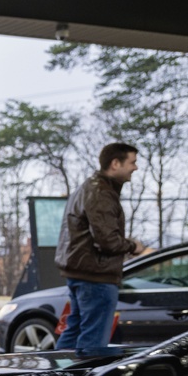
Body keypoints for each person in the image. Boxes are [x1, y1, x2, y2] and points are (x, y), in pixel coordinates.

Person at [54, 142, 144, 357]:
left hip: (81, 274)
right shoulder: (101, 193)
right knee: (92, 346)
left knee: (73, 335)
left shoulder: (90, 187)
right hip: (97, 277)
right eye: (132, 162)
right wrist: (135, 247)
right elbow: (107, 241)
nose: (135, 168)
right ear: (115, 163)